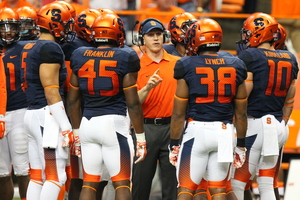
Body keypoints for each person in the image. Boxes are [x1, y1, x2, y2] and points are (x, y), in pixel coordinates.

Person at [67, 13, 147, 200]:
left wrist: (77, 132)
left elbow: (73, 100)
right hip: (114, 124)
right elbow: (133, 102)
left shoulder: (80, 54)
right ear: (117, 33)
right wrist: (141, 138)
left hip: (87, 124)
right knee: (122, 183)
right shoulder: (126, 55)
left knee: (89, 182)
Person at [168, 18, 248, 200]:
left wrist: (174, 143)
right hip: (225, 132)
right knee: (219, 189)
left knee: (186, 189)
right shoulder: (236, 64)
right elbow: (241, 114)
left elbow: (179, 113)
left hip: (197, 131)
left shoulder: (187, 64)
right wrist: (241, 146)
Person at [231, 12, 298, 200]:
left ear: (258, 33)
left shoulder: (250, 55)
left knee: (237, 182)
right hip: (277, 124)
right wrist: (281, 123)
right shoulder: (290, 58)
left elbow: (243, 97)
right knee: (267, 184)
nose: (245, 37)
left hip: (254, 125)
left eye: (248, 32)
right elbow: (289, 100)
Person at [20, 2, 76, 200]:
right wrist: (66, 127)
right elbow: (51, 91)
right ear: (55, 24)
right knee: (55, 176)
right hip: (47, 117)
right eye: (67, 23)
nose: (70, 28)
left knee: (37, 176)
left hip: (32, 114)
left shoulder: (31, 45)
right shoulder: (50, 48)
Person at [131, 17, 180, 200]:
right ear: (142, 39)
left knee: (172, 187)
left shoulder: (177, 63)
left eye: (158, 34)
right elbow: (133, 103)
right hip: (145, 128)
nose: (156, 38)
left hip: (172, 127)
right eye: (150, 35)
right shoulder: (135, 65)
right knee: (140, 185)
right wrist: (147, 88)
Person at [0, 7, 31, 200]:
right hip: (1, 111)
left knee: (23, 168)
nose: (7, 32)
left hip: (20, 110)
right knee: (2, 171)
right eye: (3, 28)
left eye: (11, 27)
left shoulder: (26, 48)